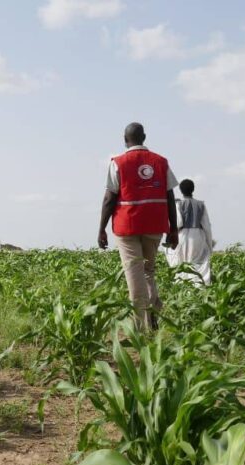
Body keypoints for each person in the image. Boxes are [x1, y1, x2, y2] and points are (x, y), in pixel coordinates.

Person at [98, 122, 178, 331]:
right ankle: (153, 315)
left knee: (134, 273)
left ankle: (140, 327)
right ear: (145, 137)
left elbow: (109, 198)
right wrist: (174, 229)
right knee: (148, 271)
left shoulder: (118, 162)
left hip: (128, 226)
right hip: (155, 224)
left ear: (125, 140)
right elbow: (170, 196)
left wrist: (101, 229)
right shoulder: (161, 162)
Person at [166, 179, 213, 285]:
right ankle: (200, 285)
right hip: (198, 236)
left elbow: (178, 223)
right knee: (198, 263)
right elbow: (207, 226)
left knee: (181, 262)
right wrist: (209, 245)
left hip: (183, 236)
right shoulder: (201, 205)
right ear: (193, 189)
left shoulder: (179, 204)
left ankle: (181, 285)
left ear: (181, 190)